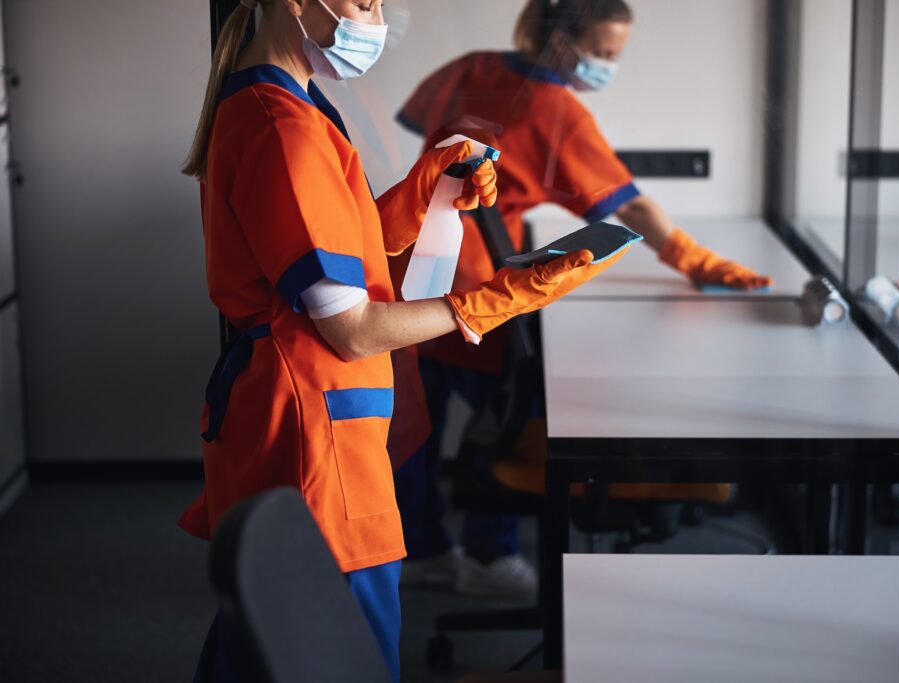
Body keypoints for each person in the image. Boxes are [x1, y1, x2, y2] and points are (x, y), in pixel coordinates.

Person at [177, 0, 626, 679]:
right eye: (363, 1)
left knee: (264, 638)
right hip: (315, 439)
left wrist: (420, 194)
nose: (376, 17)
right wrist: (495, 301)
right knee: (329, 648)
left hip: (308, 418)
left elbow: (328, 255)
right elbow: (351, 329)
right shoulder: (281, 128)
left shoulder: (287, 102)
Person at [393, 0, 769, 597]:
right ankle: (490, 557)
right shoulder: (555, 110)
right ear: (565, 43)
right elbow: (631, 205)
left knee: (415, 421)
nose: (609, 66)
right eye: (605, 53)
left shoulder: (472, 66)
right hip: (475, 288)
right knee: (508, 419)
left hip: (408, 260)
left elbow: (421, 125)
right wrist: (697, 260)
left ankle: (418, 550)